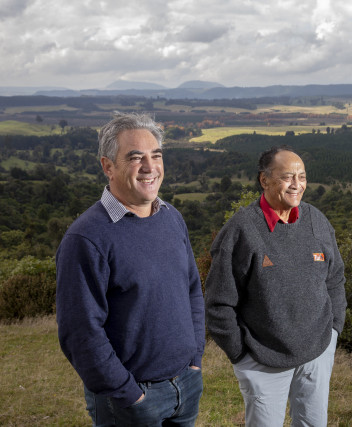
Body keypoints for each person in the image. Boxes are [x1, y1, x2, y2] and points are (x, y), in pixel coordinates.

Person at [56, 112, 205, 426]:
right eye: (136, 157)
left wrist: (194, 360)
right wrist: (129, 394)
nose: (150, 167)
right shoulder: (87, 238)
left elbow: (191, 289)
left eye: (156, 155)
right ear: (108, 166)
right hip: (131, 400)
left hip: (186, 387)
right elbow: (81, 334)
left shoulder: (171, 217)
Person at [204, 146, 347, 427]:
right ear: (264, 180)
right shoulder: (241, 229)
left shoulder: (316, 220)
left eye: (302, 176)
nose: (297, 185)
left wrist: (333, 331)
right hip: (263, 361)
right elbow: (218, 302)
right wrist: (242, 356)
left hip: (317, 353)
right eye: (287, 177)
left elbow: (335, 277)